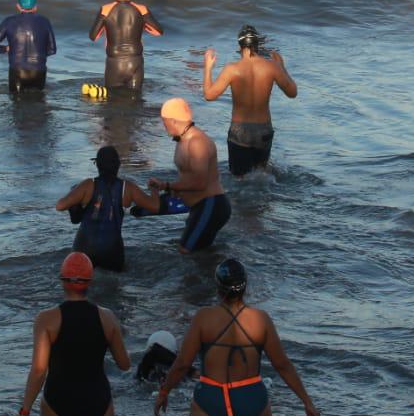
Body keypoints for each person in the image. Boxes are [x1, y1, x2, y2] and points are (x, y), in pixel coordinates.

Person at [154, 259, 321, 416]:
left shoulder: (204, 318)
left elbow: (182, 363)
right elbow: (283, 365)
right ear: (245, 286)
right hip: (252, 401)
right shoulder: (261, 320)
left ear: (217, 287)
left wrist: (164, 391)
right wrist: (307, 402)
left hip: (212, 400)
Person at [14, 252, 131, 416]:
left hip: (59, 403)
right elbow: (124, 364)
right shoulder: (107, 317)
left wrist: (24, 413)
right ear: (90, 282)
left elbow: (39, 371)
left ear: (63, 281)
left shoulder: (46, 319)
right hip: (97, 402)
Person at [203, 25, 297, 175]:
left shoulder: (232, 69)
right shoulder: (272, 67)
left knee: (239, 178)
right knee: (260, 176)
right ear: (257, 45)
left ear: (240, 46)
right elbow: (293, 93)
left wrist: (208, 68)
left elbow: (209, 95)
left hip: (240, 130)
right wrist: (281, 67)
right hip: (263, 130)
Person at [55, 146, 163, 271]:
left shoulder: (88, 185)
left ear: (97, 165)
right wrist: (154, 189)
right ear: (118, 165)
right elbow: (155, 207)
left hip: (84, 250)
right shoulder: (128, 188)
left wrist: (76, 200)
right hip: (112, 252)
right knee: (113, 287)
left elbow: (60, 206)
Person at [149, 98, 230, 253]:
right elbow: (188, 177)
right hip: (198, 205)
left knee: (186, 252)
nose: (163, 125)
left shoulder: (196, 142)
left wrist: (167, 185)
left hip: (211, 205)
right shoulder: (183, 139)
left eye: (164, 121)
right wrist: (166, 190)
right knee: (199, 254)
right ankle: (210, 270)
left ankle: (209, 274)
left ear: (173, 121)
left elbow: (200, 183)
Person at [89, 0, 163, 93]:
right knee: (135, 101)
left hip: (114, 63)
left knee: (112, 101)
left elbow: (94, 36)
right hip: (135, 63)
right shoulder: (141, 9)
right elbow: (158, 31)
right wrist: (143, 25)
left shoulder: (105, 9)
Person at [0, 0, 56, 94]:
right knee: (39, 105)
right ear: (35, 7)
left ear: (18, 6)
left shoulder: (9, 21)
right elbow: (52, 50)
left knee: (16, 105)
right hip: (38, 71)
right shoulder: (45, 21)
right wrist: (39, 53)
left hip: (17, 72)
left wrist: (6, 49)